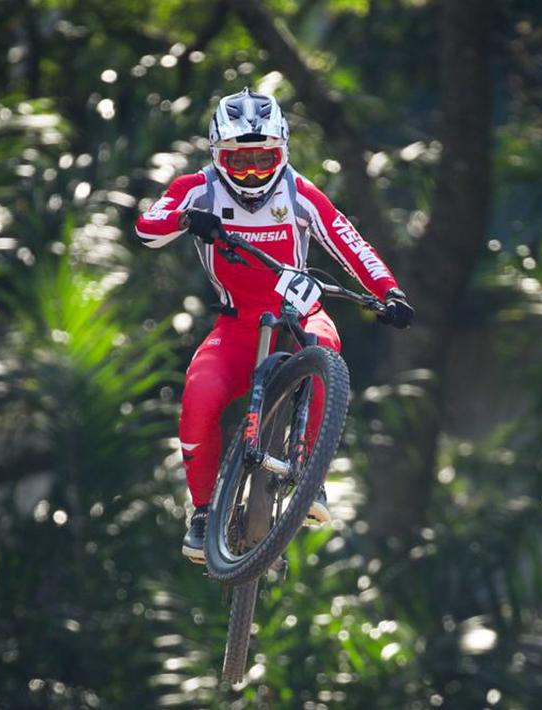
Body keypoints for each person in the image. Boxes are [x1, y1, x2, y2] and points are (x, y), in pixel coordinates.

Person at [135, 88, 414, 563]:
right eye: (237, 161)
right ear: (215, 154)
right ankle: (203, 515)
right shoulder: (195, 188)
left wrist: (389, 291)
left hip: (296, 311)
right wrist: (186, 218)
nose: (250, 173)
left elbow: (350, 243)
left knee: (327, 347)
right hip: (236, 326)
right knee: (198, 402)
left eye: (264, 160)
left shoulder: (299, 192)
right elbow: (147, 227)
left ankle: (309, 477)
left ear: (283, 152)